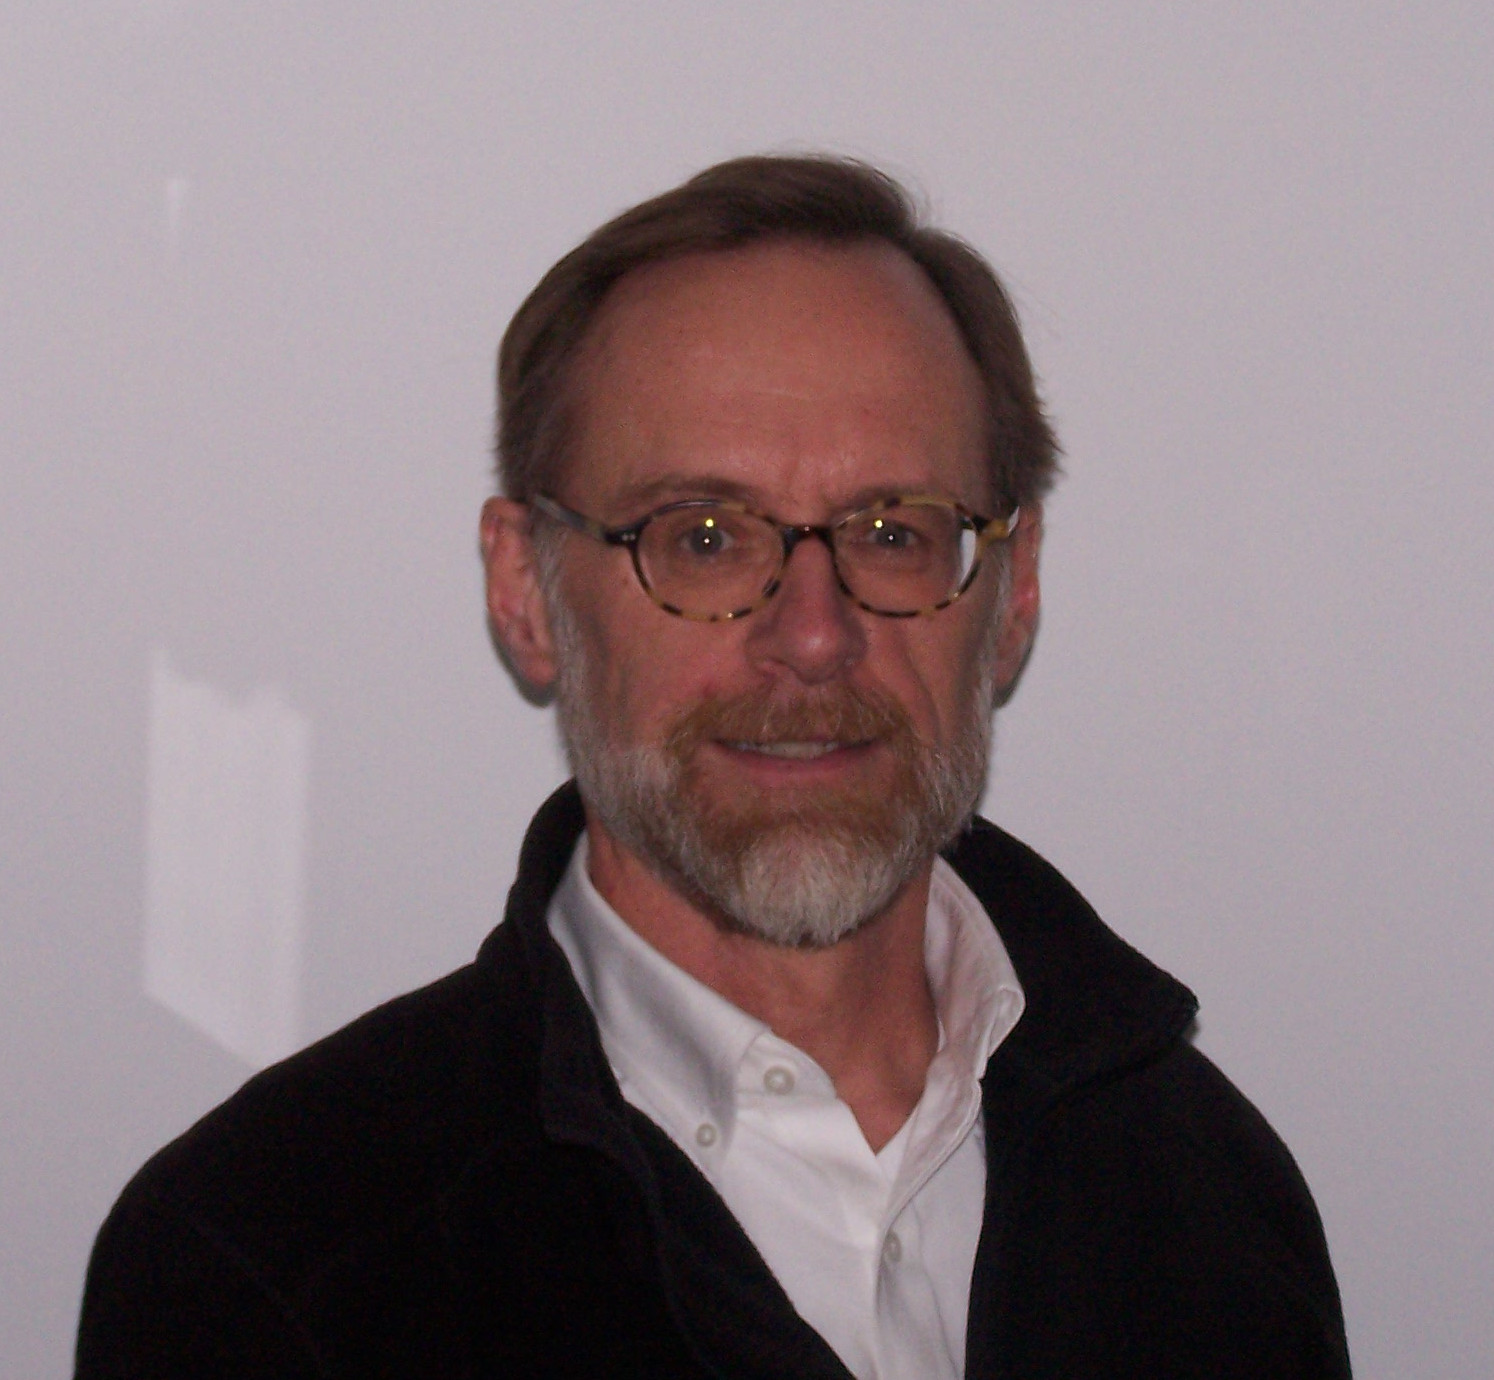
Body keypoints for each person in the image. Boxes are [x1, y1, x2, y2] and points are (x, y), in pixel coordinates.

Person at [76, 155, 1351, 1379]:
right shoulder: (277, 1265)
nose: (813, 635)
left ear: (1011, 594)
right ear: (526, 592)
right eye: (702, 538)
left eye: (892, 532)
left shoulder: (1203, 1191)